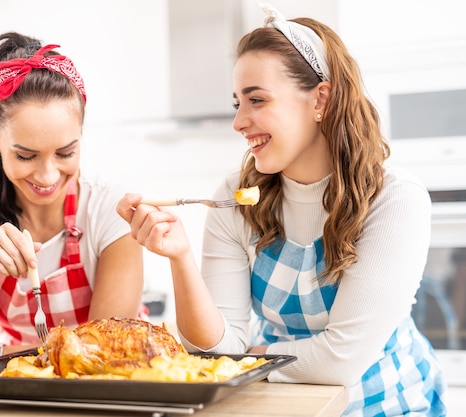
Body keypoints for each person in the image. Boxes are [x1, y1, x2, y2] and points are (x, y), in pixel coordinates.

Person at [116, 3, 447, 416]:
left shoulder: (394, 199)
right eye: (237, 102)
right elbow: (217, 349)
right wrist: (180, 257)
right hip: (284, 403)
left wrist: (249, 359)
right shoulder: (235, 196)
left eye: (256, 99)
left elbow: (340, 361)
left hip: (388, 403)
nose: (239, 121)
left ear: (319, 99)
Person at [0, 32, 144, 368]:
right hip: (20, 383)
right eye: (26, 156)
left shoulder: (109, 209)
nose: (47, 177)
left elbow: (103, 357)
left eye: (65, 153)